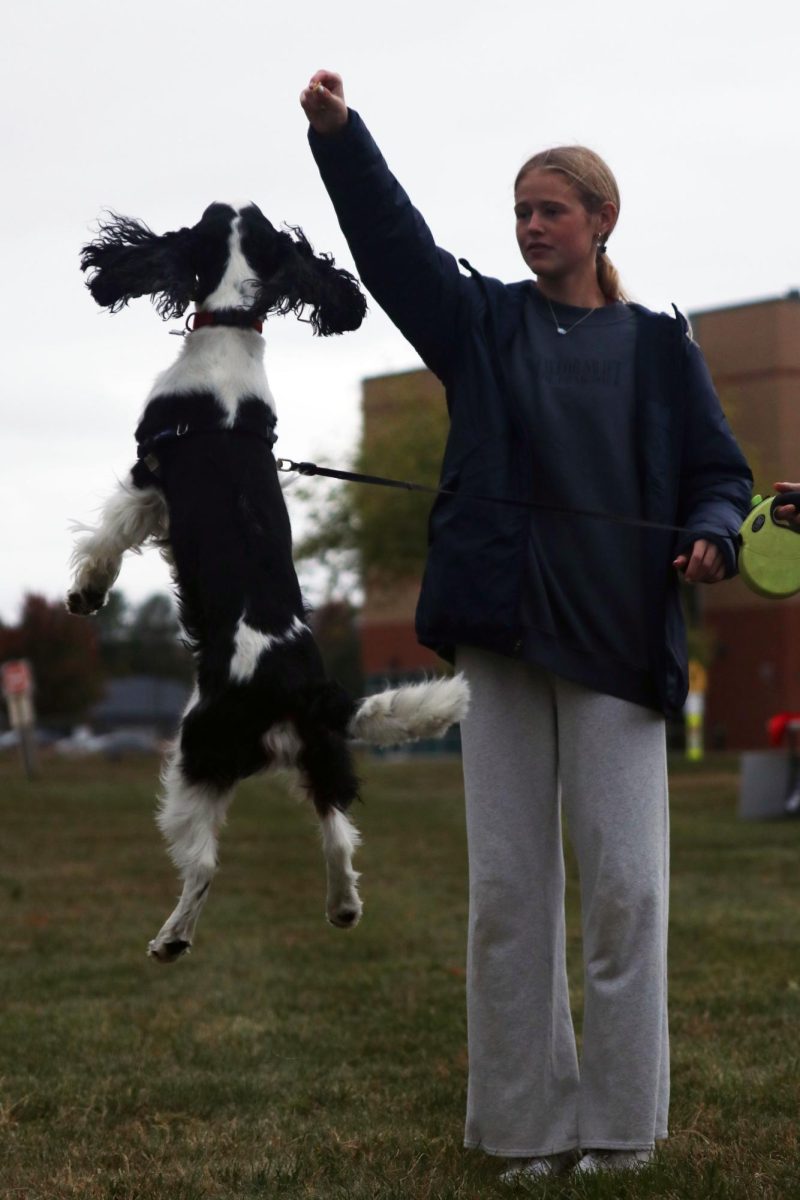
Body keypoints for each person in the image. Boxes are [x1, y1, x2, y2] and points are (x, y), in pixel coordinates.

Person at [300, 70, 752, 1180]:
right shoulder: (482, 325)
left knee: (626, 893)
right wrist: (342, 142)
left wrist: (709, 534)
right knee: (506, 897)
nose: (530, 227)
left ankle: (617, 1129)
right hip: (504, 645)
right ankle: (526, 1129)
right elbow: (397, 253)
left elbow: (714, 475)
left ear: (600, 222)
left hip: (615, 649)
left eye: (550, 209)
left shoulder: (658, 344)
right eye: (518, 211)